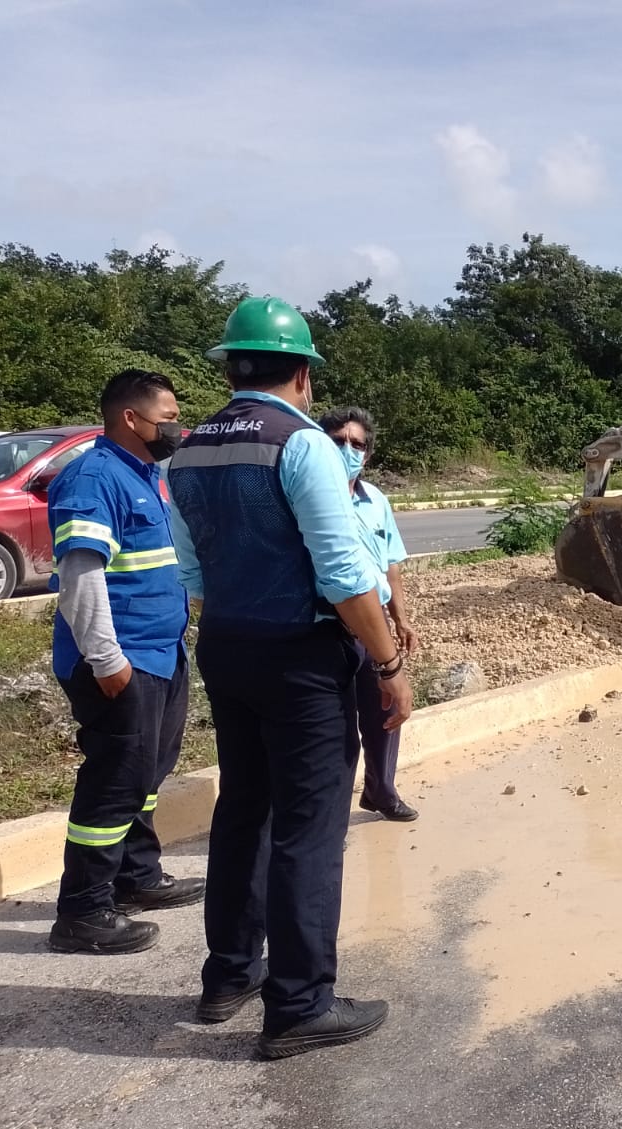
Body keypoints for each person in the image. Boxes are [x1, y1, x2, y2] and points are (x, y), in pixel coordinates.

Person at [167, 296, 413, 1059]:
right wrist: (389, 664)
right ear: (303, 374)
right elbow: (345, 575)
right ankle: (301, 1003)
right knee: (310, 827)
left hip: (227, 643)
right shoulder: (303, 446)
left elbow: (192, 568)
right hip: (300, 658)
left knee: (244, 810)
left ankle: (229, 975)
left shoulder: (189, 448)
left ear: (230, 365)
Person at [46, 369, 204, 954]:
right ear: (130, 419)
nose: (176, 427)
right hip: (121, 661)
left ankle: (136, 876)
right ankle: (82, 912)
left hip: (160, 654)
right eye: (167, 418)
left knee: (146, 774)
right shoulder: (93, 478)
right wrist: (107, 659)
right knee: (114, 781)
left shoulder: (144, 473)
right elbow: (80, 578)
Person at [319, 406, 419, 822]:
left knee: (383, 709)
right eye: (338, 441)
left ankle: (381, 788)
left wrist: (400, 618)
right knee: (336, 725)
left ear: (368, 453)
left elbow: (389, 564)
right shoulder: (312, 497)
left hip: (372, 621)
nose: (348, 449)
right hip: (328, 623)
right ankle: (329, 813)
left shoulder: (375, 499)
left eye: (356, 443)